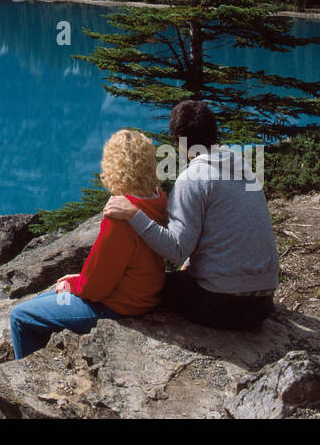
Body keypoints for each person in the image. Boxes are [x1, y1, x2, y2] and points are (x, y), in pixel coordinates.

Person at [103, 100, 278, 330]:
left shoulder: (192, 178)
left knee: (147, 288)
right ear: (214, 134)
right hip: (263, 304)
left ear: (179, 142)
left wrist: (134, 214)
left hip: (223, 304)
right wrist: (190, 262)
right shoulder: (244, 168)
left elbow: (176, 250)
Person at [9, 129, 168, 359]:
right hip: (142, 293)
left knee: (20, 316)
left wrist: (74, 286)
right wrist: (76, 279)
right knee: (42, 300)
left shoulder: (120, 217)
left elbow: (94, 287)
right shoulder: (157, 198)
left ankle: (25, 379)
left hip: (117, 306)